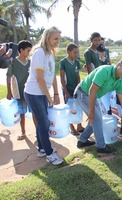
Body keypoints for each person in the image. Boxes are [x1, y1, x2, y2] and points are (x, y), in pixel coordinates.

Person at [74, 57, 122, 153]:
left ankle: (82, 141)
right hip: (82, 93)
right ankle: (101, 146)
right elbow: (92, 90)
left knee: (96, 119)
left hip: (92, 96)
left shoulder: (119, 82)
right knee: (96, 118)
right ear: (118, 65)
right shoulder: (105, 71)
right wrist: (91, 111)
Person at [24, 26, 63, 165]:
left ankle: (42, 149)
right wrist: (49, 96)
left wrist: (55, 93)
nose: (58, 41)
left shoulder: (51, 53)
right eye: (55, 38)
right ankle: (49, 153)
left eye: (59, 38)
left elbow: (52, 75)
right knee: (44, 123)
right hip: (34, 92)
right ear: (47, 38)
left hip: (41, 93)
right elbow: (39, 78)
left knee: (43, 122)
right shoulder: (39, 53)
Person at [6, 40, 32, 140]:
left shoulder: (30, 62)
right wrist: (9, 91)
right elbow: (8, 76)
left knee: (34, 112)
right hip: (19, 93)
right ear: (21, 50)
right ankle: (23, 132)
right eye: (28, 50)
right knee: (22, 113)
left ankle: (38, 132)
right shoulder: (13, 62)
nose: (29, 53)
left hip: (30, 92)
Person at [59, 43, 84, 135]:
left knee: (78, 106)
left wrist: (79, 87)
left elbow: (78, 76)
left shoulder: (76, 62)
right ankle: (71, 127)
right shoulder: (63, 62)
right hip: (67, 88)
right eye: (74, 52)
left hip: (75, 88)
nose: (76, 54)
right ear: (68, 52)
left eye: (77, 52)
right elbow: (62, 77)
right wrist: (65, 91)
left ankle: (79, 125)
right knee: (69, 107)